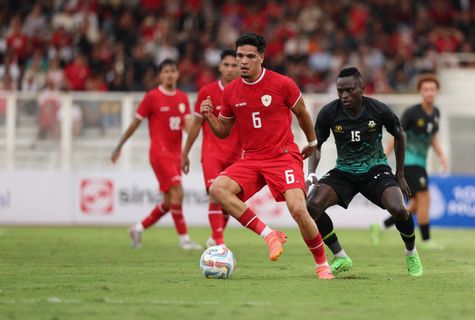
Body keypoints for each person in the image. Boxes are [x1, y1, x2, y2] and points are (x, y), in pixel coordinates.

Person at [200, 32, 333, 279]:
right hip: (251, 158)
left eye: (250, 56)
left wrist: (312, 142)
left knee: (298, 209)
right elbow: (223, 131)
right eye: (240, 56)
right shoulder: (231, 92)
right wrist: (209, 116)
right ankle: (269, 234)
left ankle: (322, 264)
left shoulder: (282, 84)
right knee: (217, 189)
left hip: (283, 155)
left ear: (262, 58)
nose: (243, 61)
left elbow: (302, 113)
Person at [305, 67, 423, 277]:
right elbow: (316, 144)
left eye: (349, 90)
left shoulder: (378, 109)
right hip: (344, 171)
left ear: (362, 88)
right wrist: (311, 172)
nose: (343, 95)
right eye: (340, 91)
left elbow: (399, 135)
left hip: (375, 170)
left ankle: (411, 252)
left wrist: (400, 175)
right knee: (311, 206)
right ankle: (340, 256)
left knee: (399, 209)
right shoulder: (329, 112)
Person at [111, 59, 201, 251]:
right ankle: (184, 239)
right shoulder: (152, 97)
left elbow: (188, 127)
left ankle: (137, 228)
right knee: (178, 192)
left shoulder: (183, 98)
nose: (169, 74)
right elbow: (135, 124)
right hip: (159, 153)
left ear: (178, 74)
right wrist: (119, 146)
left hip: (176, 154)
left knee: (169, 202)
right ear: (160, 75)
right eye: (165, 71)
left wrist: (189, 149)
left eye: (173, 71)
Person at [372, 74, 447, 249]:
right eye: (426, 89)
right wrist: (383, 155)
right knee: (425, 199)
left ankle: (380, 227)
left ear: (436, 92)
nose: (429, 92)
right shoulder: (412, 113)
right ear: (420, 92)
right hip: (409, 163)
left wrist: (441, 155)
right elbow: (397, 135)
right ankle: (426, 240)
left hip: (420, 163)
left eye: (432, 89)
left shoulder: (436, 113)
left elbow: (433, 137)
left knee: (414, 206)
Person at [183, 49, 242, 248]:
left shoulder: (245, 91)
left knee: (229, 199)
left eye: (234, 65)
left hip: (237, 155)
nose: (230, 69)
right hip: (212, 153)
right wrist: (185, 153)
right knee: (216, 195)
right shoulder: (206, 92)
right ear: (219, 67)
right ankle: (219, 243)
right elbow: (196, 125)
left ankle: (215, 236)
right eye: (226, 65)